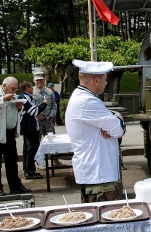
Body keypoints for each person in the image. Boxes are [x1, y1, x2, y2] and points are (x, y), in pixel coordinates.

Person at [65, 60, 126, 203]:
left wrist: (114, 118)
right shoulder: (87, 101)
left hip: (96, 174)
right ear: (96, 80)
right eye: (105, 80)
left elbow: (112, 124)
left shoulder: (83, 98)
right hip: (99, 178)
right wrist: (117, 118)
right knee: (106, 220)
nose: (106, 83)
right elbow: (117, 130)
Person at [0, 77, 31, 196]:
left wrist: (19, 107)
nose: (14, 91)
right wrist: (2, 99)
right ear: (4, 86)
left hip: (9, 133)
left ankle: (15, 186)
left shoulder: (13, 96)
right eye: (12, 88)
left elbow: (13, 113)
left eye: (15, 89)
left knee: (12, 161)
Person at [18, 81, 48, 180]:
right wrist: (44, 104)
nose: (32, 89)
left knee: (27, 149)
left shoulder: (25, 97)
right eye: (31, 87)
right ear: (27, 88)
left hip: (27, 127)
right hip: (30, 128)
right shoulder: (25, 97)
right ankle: (29, 171)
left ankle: (27, 169)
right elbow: (33, 111)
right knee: (32, 149)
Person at [32, 72, 57, 139]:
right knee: (36, 144)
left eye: (41, 80)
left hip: (48, 121)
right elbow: (30, 107)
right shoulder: (31, 92)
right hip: (36, 122)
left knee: (52, 142)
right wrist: (37, 115)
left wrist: (50, 116)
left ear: (44, 80)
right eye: (37, 80)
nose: (39, 81)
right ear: (34, 80)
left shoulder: (49, 91)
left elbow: (54, 105)